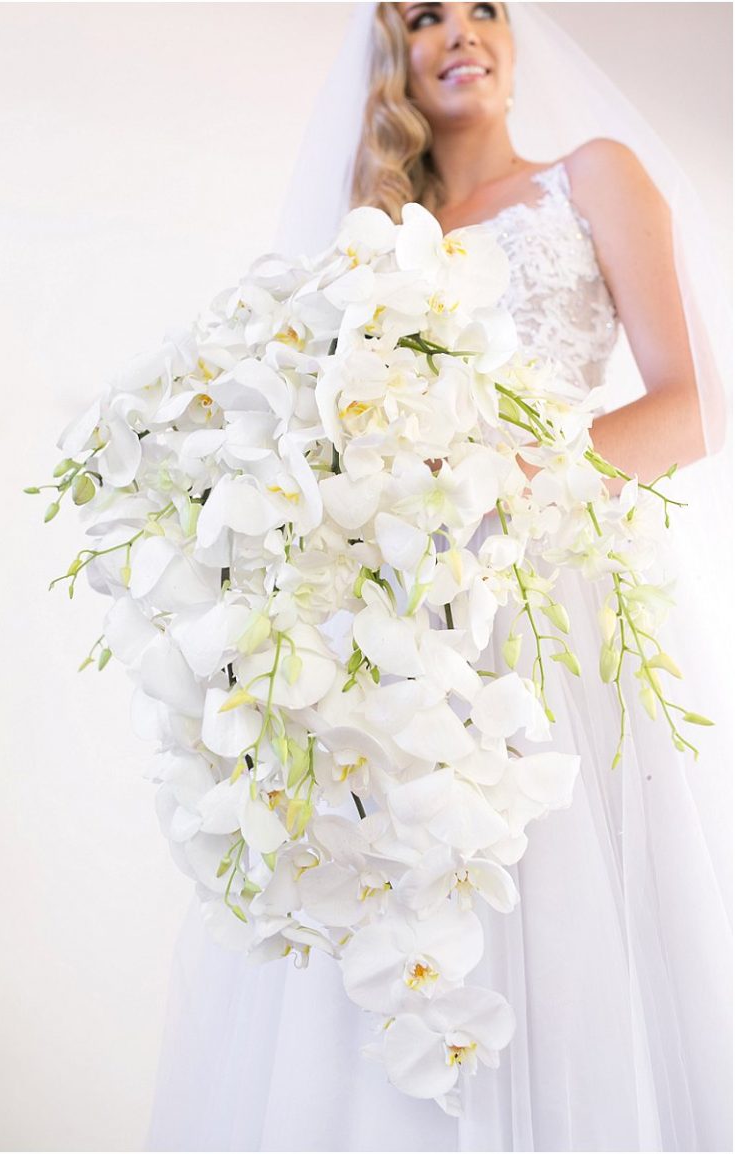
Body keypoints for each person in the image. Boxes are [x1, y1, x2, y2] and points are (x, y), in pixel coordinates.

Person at [146, 5, 732, 1150]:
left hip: (551, 593)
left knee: (558, 892)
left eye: (482, 8)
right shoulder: (368, 242)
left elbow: (692, 403)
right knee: (399, 899)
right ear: (393, 57)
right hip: (403, 622)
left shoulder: (589, 176)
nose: (461, 31)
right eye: (425, 15)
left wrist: (516, 474)